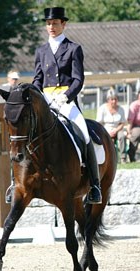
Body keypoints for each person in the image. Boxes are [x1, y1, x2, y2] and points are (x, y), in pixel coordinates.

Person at [32, 7, 101, 204]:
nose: (51, 27)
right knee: (26, 133)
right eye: (48, 23)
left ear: (63, 24)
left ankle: (95, 185)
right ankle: (16, 181)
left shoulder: (73, 48)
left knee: (84, 133)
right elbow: (38, 79)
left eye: (55, 23)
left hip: (66, 101)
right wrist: (37, 96)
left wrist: (66, 96)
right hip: (46, 101)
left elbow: (78, 80)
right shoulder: (41, 51)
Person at [96, 88, 127, 163]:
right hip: (105, 129)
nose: (114, 101)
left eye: (115, 99)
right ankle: (108, 158)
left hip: (118, 129)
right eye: (112, 99)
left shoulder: (121, 109)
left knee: (122, 136)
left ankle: (123, 157)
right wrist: (107, 132)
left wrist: (116, 130)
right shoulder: (102, 109)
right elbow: (99, 123)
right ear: (108, 100)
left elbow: (122, 123)